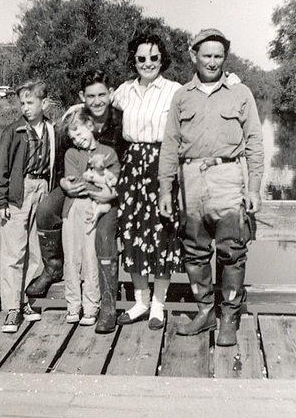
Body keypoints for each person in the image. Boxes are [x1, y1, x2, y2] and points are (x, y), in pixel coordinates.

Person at [158, 29, 264, 346]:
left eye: (218, 56)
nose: (213, 62)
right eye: (207, 55)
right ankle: (205, 313)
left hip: (228, 178)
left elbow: (255, 143)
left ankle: (229, 318)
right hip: (190, 181)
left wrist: (255, 186)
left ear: (224, 58)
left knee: (232, 251)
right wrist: (166, 189)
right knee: (194, 251)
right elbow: (170, 145)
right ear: (194, 56)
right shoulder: (182, 96)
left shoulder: (240, 93)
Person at [26, 69, 127, 334]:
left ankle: (104, 306)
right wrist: (62, 183)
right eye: (90, 96)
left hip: (107, 190)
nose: (96, 101)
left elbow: (122, 168)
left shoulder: (120, 122)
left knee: (103, 234)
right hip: (76, 185)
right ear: (83, 96)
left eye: (101, 95)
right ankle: (53, 267)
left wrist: (111, 194)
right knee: (46, 209)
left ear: (110, 94)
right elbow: (62, 163)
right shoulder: (73, 120)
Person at [113, 32, 184, 331]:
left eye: (154, 57)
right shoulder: (124, 91)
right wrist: (77, 110)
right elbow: (99, 108)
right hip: (131, 168)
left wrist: (231, 82)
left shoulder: (175, 90)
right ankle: (140, 301)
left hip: (162, 166)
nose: (148, 63)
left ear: (162, 59)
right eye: (141, 58)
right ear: (134, 60)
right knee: (131, 233)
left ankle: (158, 305)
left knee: (162, 235)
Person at [0, 78, 61, 333]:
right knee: (13, 252)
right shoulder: (14, 131)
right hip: (19, 193)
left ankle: (24, 301)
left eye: (30, 102)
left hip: (42, 190)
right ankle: (11, 309)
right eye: (22, 103)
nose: (25, 108)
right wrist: (0, 201)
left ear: (44, 103)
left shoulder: (52, 130)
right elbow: (3, 168)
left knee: (34, 250)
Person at [58, 107, 121, 325]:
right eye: (72, 136)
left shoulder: (108, 152)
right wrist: (100, 184)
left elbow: (116, 183)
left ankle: (91, 306)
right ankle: (73, 304)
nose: (77, 139)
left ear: (90, 126)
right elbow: (75, 184)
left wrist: (104, 187)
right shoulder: (71, 154)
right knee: (72, 257)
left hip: (94, 209)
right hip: (73, 208)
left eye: (80, 132)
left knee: (90, 258)